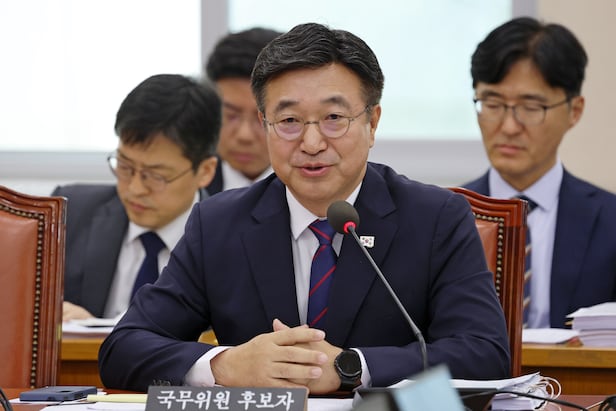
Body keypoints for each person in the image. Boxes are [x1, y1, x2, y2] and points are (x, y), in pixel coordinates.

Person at [99, 23, 510, 393]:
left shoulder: (436, 218)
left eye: (333, 117)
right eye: (289, 121)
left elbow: (484, 354)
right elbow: (124, 348)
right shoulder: (219, 224)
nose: (311, 143)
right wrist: (226, 364)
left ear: (372, 123)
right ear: (266, 125)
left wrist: (352, 367)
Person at [464, 17, 616, 328]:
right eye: (492, 103)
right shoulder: (443, 216)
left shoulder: (610, 221)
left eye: (531, 107)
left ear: (574, 111)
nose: (509, 126)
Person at [55, 74, 220, 321]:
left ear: (205, 171)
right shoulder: (69, 212)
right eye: (125, 166)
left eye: (155, 175)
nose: (135, 188)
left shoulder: (230, 239)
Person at [204, 27, 281, 195]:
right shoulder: (188, 186)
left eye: (261, 118)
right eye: (231, 116)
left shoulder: (318, 191)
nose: (244, 136)